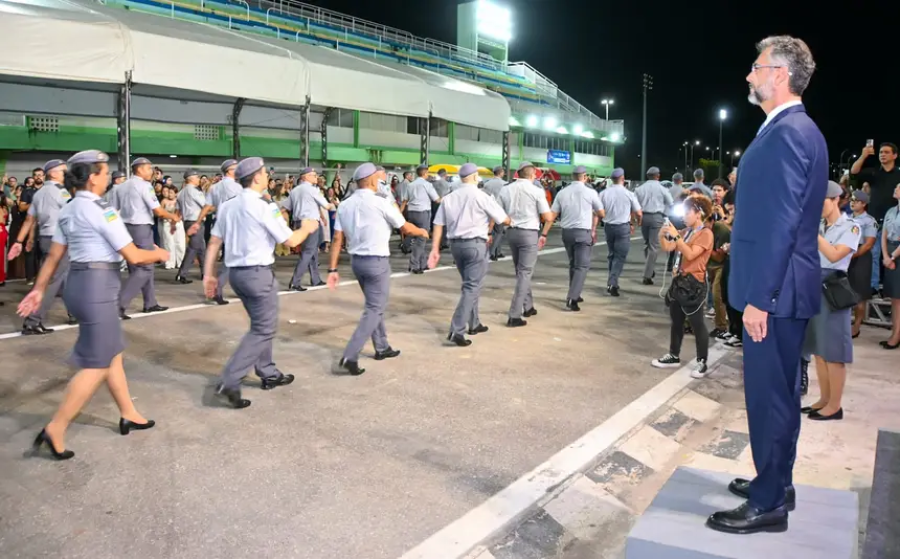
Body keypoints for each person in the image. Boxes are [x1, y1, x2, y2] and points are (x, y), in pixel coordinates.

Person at [708, 35, 826, 536]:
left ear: (780, 74)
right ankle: (776, 480)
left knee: (768, 398)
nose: (749, 75)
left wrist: (761, 297)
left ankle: (769, 500)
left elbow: (781, 224)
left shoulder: (787, 134)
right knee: (777, 393)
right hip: (779, 288)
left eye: (757, 68)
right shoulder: (789, 129)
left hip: (773, 295)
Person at [17, 150, 168, 459]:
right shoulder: (100, 210)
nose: (105, 178)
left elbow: (55, 256)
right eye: (102, 172)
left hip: (79, 284)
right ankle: (55, 427)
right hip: (98, 287)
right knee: (97, 364)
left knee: (111, 353)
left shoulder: (71, 209)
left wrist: (39, 289)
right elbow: (135, 256)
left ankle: (128, 412)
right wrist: (161, 255)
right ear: (93, 177)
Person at [203, 158, 319, 409]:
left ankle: (267, 371)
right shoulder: (264, 206)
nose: (268, 176)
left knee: (260, 324)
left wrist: (208, 274)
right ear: (256, 178)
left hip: (236, 274)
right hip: (258, 274)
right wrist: (308, 227)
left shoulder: (228, 206)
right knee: (263, 329)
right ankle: (229, 381)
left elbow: (213, 243)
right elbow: (289, 240)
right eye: (265, 173)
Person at [327, 163, 429, 375]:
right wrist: (422, 231)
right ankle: (350, 354)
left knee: (375, 305)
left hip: (357, 262)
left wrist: (332, 268)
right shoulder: (380, 203)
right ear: (373, 180)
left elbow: (337, 238)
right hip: (376, 262)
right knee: (374, 308)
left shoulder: (345, 205)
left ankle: (382, 346)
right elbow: (405, 227)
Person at [800, 181, 861, 422]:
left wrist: (812, 236)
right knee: (818, 350)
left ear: (836, 199)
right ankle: (824, 399)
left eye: (821, 202)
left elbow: (836, 254)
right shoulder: (820, 225)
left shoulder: (851, 227)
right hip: (813, 285)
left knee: (834, 351)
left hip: (833, 288)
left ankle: (835, 405)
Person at [429, 163, 509, 345]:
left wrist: (434, 249)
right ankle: (457, 330)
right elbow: (502, 218)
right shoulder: (482, 196)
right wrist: (510, 219)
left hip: (456, 247)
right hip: (475, 246)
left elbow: (438, 224)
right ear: (474, 177)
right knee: (472, 287)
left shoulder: (449, 198)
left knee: (470, 285)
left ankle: (474, 323)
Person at [7, 159, 77, 334]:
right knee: (52, 281)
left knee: (66, 278)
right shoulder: (61, 192)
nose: (66, 174)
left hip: (45, 238)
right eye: (63, 171)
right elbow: (73, 212)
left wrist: (18, 241)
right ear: (52, 173)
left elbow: (30, 220)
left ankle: (74, 313)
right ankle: (33, 320)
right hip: (58, 240)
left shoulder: (38, 193)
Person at [110, 157, 181, 318]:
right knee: (146, 267)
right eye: (149, 169)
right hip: (141, 228)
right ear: (140, 169)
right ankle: (119, 305)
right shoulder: (144, 186)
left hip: (126, 229)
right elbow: (157, 210)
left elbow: (113, 211)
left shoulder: (120, 187)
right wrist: (173, 217)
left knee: (137, 267)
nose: (151, 172)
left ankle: (150, 302)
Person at [652, 196, 714, 376]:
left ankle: (702, 361)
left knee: (697, 324)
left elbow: (690, 253)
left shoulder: (706, 234)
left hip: (694, 283)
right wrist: (662, 234)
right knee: (676, 321)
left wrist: (677, 236)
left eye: (688, 213)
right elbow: (668, 247)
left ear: (698, 214)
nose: (685, 216)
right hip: (679, 281)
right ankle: (673, 355)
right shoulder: (687, 231)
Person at [540, 165, 604, 311]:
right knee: (582, 266)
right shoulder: (591, 192)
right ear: (585, 176)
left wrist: (544, 234)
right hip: (583, 232)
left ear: (572, 176)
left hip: (567, 233)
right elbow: (602, 213)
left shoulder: (562, 193)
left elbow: (552, 215)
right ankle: (572, 298)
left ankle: (575, 290)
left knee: (573, 263)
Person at [498, 162, 554, 326]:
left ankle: (528, 306)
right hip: (528, 233)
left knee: (521, 271)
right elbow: (547, 216)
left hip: (512, 232)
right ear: (533, 175)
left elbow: (498, 212)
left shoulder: (506, 189)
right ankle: (514, 315)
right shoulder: (536, 191)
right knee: (525, 272)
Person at [851, 142, 899, 294]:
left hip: (894, 222)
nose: (882, 154)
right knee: (874, 254)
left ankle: (890, 288)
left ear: (895, 155)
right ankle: (874, 286)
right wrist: (864, 155)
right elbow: (854, 171)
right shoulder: (874, 173)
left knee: (892, 257)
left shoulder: (898, 174)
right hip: (875, 221)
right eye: (880, 152)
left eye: (886, 152)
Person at [283, 167, 333, 291]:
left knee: (312, 251)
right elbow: (326, 206)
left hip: (299, 222)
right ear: (305, 177)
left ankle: (315, 279)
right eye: (313, 175)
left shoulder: (295, 190)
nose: (316, 177)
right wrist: (337, 205)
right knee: (308, 252)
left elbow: (284, 207)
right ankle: (295, 282)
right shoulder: (312, 190)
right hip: (310, 223)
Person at [201, 159, 242, 304]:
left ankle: (240, 289)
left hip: (219, 222)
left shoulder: (215, 187)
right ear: (230, 170)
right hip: (235, 224)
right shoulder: (234, 186)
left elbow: (208, 205)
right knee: (233, 259)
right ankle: (216, 291)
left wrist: (198, 221)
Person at [599, 168, 642, 296]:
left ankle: (612, 280)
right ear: (623, 178)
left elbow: (597, 211)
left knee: (612, 254)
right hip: (623, 227)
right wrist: (637, 222)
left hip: (608, 227)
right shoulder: (629, 194)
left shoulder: (603, 193)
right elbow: (639, 212)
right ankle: (612, 282)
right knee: (620, 256)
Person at [634, 166, 674, 285]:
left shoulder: (639, 189)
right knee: (653, 246)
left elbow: (634, 204)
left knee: (647, 244)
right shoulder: (662, 189)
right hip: (657, 217)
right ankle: (647, 275)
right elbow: (671, 203)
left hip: (643, 217)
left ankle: (649, 270)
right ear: (658, 176)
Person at [400, 164, 441, 274]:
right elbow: (437, 200)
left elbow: (404, 201)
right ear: (425, 173)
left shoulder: (410, 185)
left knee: (417, 235)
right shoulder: (427, 185)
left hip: (411, 212)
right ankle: (414, 265)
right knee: (421, 239)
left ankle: (423, 264)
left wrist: (399, 213)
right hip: (423, 213)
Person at [848, 191, 878, 337]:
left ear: (864, 204)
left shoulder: (869, 221)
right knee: (845, 290)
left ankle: (857, 324)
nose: (853, 203)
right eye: (852, 200)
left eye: (857, 201)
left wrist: (852, 255)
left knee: (860, 293)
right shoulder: (846, 218)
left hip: (860, 258)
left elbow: (868, 244)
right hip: (845, 255)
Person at [175, 170, 213, 283]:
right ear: (191, 178)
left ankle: (205, 273)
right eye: (197, 177)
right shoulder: (194, 191)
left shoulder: (181, 192)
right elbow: (206, 206)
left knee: (201, 248)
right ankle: (181, 274)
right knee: (193, 248)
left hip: (187, 222)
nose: (198, 179)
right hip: (196, 222)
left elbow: (178, 210)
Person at [879, 182, 900, 349]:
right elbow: (884, 234)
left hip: (897, 254)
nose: (895, 189)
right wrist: (886, 256)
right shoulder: (891, 211)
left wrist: (892, 256)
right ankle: (895, 331)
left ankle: (896, 335)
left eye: (898, 187)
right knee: (894, 297)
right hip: (891, 252)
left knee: (899, 298)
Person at [482, 165, 508, 261]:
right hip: (500, 210)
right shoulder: (505, 184)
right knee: (499, 232)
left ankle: (498, 251)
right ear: (501, 173)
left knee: (493, 231)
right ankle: (492, 252)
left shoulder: (487, 184)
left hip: (489, 209)